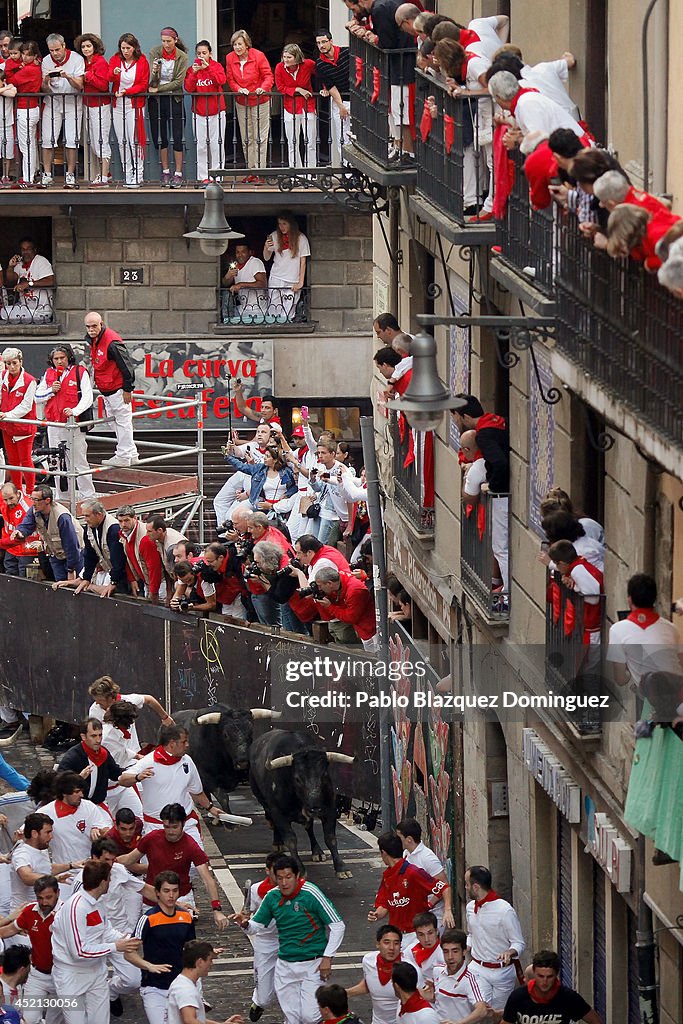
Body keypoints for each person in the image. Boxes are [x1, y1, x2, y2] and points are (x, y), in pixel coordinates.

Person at [231, 855, 346, 1024]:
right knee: (291, 1018)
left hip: (313, 965)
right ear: (274, 878)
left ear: (297, 876)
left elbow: (338, 925)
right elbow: (257, 925)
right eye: (280, 878)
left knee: (309, 1017)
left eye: (288, 877)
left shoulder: (311, 893)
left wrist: (327, 958)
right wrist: (245, 924)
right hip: (285, 967)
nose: (284, 883)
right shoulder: (272, 897)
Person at [51, 858, 140, 1024]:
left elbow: (106, 930)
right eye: (109, 879)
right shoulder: (76, 908)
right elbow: (79, 951)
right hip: (72, 976)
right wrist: (116, 946)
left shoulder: (97, 903)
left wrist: (127, 940)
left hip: (96, 972)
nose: (111, 882)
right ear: (102, 882)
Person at [71, 838, 149, 1014]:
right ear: (93, 858)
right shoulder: (80, 882)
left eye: (113, 860)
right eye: (106, 860)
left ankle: (111, 992)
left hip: (118, 934)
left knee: (133, 980)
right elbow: (72, 915)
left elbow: (143, 888)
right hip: (92, 938)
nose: (111, 865)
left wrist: (176, 904)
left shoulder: (119, 871)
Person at [118, 803, 228, 929]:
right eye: (166, 827)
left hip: (181, 896)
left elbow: (207, 879)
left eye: (174, 827)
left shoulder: (190, 845)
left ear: (183, 824)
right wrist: (106, 863)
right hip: (153, 898)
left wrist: (217, 909)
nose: (170, 832)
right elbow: (128, 859)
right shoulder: (151, 839)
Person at [452, 396, 509, 596]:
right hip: (502, 494)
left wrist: (493, 484)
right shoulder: (496, 422)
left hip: (501, 496)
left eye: (456, 417)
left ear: (465, 416)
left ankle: (507, 593)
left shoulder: (483, 436)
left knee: (501, 548)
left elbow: (500, 463)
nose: (455, 421)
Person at [132, 724, 223, 848]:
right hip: (156, 826)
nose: (187, 745)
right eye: (184, 741)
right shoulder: (148, 762)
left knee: (197, 864)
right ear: (172, 743)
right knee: (155, 866)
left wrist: (210, 808)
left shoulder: (187, 761)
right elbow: (123, 779)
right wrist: (137, 777)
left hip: (186, 825)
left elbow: (196, 791)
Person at [129, 870, 196, 1024]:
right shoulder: (147, 919)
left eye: (174, 891)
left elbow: (191, 948)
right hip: (154, 988)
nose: (171, 895)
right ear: (157, 893)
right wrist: (149, 966)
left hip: (181, 986)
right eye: (166, 891)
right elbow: (129, 952)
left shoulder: (186, 917)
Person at [34, 343, 96, 501]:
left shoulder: (79, 372)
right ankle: (63, 496)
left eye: (62, 358)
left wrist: (75, 411)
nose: (59, 361)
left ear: (69, 357)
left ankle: (88, 496)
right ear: (52, 360)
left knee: (79, 461)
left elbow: (88, 397)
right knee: (56, 462)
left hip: (73, 425)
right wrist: (50, 391)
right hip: (54, 425)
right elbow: (37, 397)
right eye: (56, 358)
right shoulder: (48, 374)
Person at [0, 875, 62, 1022]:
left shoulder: (66, 913)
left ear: (58, 893)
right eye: (40, 898)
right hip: (37, 976)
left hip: (61, 977)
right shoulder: (29, 911)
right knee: (29, 1019)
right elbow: (7, 931)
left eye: (48, 897)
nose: (44, 902)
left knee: (55, 1021)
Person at [370, 834, 448, 950]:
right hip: (397, 938)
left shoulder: (413, 872)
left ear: (384, 853)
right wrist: (376, 914)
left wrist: (447, 910)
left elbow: (444, 887)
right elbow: (385, 905)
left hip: (414, 936)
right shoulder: (387, 877)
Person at [464, 865, 525, 1006]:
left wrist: (510, 952)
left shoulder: (505, 911)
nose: (465, 888)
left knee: (498, 1015)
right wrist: (463, 948)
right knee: (481, 1011)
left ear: (476, 887)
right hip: (477, 969)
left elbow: (519, 943)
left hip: (502, 973)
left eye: (467, 884)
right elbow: (472, 935)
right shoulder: (470, 908)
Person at [84, 311, 139, 467]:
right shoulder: (96, 339)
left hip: (118, 389)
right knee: (118, 421)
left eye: (94, 326)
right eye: (88, 327)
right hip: (110, 389)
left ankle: (124, 454)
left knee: (122, 421)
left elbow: (127, 366)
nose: (90, 330)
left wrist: (128, 389)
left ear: (101, 324)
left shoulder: (112, 342)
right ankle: (130, 452)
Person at [39, 774, 111, 892]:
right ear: (64, 793)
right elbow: (27, 836)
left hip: (91, 872)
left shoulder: (89, 807)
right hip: (65, 876)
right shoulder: (46, 812)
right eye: (76, 792)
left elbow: (105, 830)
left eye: (81, 791)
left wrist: (97, 829)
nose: (81, 795)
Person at [57, 717, 147, 809]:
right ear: (83, 737)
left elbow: (115, 773)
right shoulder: (73, 757)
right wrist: (78, 779)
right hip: (77, 805)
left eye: (100, 735)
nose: (98, 740)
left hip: (98, 804)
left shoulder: (104, 753)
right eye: (93, 736)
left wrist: (136, 772)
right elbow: (59, 782)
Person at [501, 949, 602, 1024]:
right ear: (534, 973)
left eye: (549, 976)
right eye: (540, 976)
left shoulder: (568, 997)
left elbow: (595, 1021)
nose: (544, 981)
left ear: (556, 974)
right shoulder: (518, 997)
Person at [225, 30, 273, 177]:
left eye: (240, 44)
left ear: (247, 45)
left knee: (260, 137)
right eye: (234, 44)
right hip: (242, 101)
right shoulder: (229, 58)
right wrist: (238, 89)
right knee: (247, 137)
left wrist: (262, 88)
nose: (237, 47)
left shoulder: (258, 56)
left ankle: (260, 171)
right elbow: (230, 79)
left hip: (260, 101)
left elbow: (268, 76)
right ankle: (251, 170)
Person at [13, 483, 84, 581]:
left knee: (75, 588)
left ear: (47, 500)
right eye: (32, 499)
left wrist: (71, 569)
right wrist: (20, 532)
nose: (33, 503)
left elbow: (71, 545)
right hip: (55, 555)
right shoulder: (34, 510)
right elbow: (27, 525)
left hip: (75, 556)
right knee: (59, 585)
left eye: (36, 500)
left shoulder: (62, 517)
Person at [40, 33, 84, 188]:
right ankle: (47, 174)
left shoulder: (77, 59)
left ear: (64, 46)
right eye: (51, 50)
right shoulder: (45, 60)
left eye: (57, 50)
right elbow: (45, 90)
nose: (54, 53)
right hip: (53, 102)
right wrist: (45, 81)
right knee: (47, 139)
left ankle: (70, 174)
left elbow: (80, 85)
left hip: (73, 102)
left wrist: (68, 76)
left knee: (72, 140)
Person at [87, 675, 174, 753]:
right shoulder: (95, 709)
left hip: (133, 751)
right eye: (95, 700)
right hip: (112, 753)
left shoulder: (127, 701)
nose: (97, 702)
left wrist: (165, 717)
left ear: (110, 697)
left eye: (100, 700)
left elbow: (149, 699)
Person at [10, 813, 76, 913]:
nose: (51, 837)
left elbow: (46, 868)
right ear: (34, 833)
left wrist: (71, 865)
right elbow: (26, 876)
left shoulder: (41, 848)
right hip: (24, 914)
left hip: (42, 911)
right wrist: (53, 879)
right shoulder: (22, 853)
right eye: (48, 832)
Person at [148, 28, 189, 188]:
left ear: (176, 40)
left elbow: (179, 82)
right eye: (163, 41)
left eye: (169, 41)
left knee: (177, 136)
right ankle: (165, 171)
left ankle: (178, 173)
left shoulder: (182, 57)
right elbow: (153, 82)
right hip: (157, 102)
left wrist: (159, 89)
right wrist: (155, 73)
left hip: (174, 99)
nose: (166, 44)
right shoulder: (155, 52)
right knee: (160, 137)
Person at [396, 819, 454, 929]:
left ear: (409, 840)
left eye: (399, 838)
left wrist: (429, 905)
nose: (397, 841)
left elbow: (444, 885)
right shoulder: (406, 854)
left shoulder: (428, 858)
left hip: (433, 917)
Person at [168, 939, 243, 1024]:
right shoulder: (185, 989)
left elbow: (197, 1019)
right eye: (210, 959)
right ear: (200, 962)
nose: (211, 964)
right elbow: (190, 1020)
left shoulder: (182, 983)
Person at [109, 33, 150, 188]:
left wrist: (128, 91)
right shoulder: (115, 60)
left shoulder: (142, 61)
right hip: (118, 105)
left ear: (134, 48)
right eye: (123, 48)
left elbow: (143, 84)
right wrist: (113, 74)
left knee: (135, 140)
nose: (125, 51)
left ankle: (138, 174)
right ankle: (128, 173)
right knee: (122, 141)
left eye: (128, 48)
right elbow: (109, 77)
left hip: (134, 105)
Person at [424, 928, 488, 1024]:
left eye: (455, 951)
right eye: (446, 951)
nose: (450, 957)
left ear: (464, 951)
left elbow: (482, 1010)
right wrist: (431, 997)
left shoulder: (472, 980)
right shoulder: (437, 970)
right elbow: (438, 1000)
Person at [185, 40, 227, 185]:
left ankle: (218, 175)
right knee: (201, 146)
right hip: (199, 112)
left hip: (217, 111)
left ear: (210, 53)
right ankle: (203, 176)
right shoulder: (192, 69)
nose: (201, 56)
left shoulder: (216, 66)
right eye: (199, 53)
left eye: (204, 53)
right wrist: (195, 73)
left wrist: (208, 68)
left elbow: (221, 80)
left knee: (217, 144)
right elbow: (189, 88)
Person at [346, 923, 406, 1024]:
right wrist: (346, 993)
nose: (391, 947)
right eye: (386, 942)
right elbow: (369, 984)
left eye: (396, 943)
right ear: (378, 944)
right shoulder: (368, 960)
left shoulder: (409, 968)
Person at [546, 540, 603, 645]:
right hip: (588, 627)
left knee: (589, 660)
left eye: (556, 564)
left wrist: (574, 588)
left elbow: (593, 598)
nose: (557, 568)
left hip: (591, 629)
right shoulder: (579, 565)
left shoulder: (577, 570)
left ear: (562, 563)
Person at [312, 566, 378, 651]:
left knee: (374, 658)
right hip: (362, 628)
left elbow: (351, 618)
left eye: (320, 586)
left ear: (329, 584)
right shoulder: (341, 578)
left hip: (370, 631)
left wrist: (330, 607)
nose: (319, 589)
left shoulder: (354, 590)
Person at [245, 855, 279, 1021]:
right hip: (265, 942)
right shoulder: (255, 889)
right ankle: (258, 1002)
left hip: (289, 941)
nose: (281, 878)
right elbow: (251, 917)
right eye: (276, 873)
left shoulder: (295, 888)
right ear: (267, 870)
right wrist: (244, 922)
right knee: (265, 997)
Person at [74, 497, 129, 597]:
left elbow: (119, 559)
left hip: (125, 575)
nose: (85, 519)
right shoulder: (89, 528)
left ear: (99, 515)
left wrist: (114, 582)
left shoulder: (113, 528)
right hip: (111, 569)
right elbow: (90, 555)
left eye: (87, 516)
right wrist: (87, 578)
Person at [76, 32, 111, 185]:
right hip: (88, 105)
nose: (86, 49)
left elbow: (103, 85)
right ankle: (105, 173)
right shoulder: (84, 63)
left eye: (88, 46)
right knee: (93, 140)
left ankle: (104, 176)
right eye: (83, 46)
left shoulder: (101, 62)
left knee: (101, 139)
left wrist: (88, 76)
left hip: (100, 106)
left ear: (95, 47)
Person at [5, 40, 42, 187]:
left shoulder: (29, 69)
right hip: (32, 108)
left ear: (34, 56)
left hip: (25, 109)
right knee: (30, 144)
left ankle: (27, 177)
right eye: (24, 54)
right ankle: (30, 175)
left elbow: (11, 80)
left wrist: (11, 67)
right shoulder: (36, 66)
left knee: (25, 146)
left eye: (29, 55)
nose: (25, 58)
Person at [275, 44, 317, 170]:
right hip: (290, 107)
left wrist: (325, 88)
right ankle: (296, 172)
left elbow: (322, 74)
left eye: (289, 57)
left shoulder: (308, 64)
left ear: (297, 57)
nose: (285, 60)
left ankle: (311, 171)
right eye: (284, 57)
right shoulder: (279, 68)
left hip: (308, 105)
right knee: (292, 142)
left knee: (310, 142)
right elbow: (280, 87)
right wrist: (297, 89)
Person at [263, 212, 311, 323]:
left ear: (291, 224)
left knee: (288, 312)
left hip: (292, 279)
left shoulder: (301, 238)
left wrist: (300, 282)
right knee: (273, 310)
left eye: (284, 224)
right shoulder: (274, 236)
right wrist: (266, 247)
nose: (282, 227)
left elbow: (303, 262)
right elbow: (266, 258)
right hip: (276, 277)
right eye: (280, 224)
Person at [225, 443, 297, 515]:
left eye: (267, 456)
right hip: (262, 505)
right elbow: (241, 466)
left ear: (275, 460)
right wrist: (227, 456)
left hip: (282, 506)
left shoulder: (287, 472)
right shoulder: (259, 469)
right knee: (235, 514)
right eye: (264, 455)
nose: (264, 458)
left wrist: (287, 494)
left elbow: (295, 487)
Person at [315, 31, 351, 166]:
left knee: (359, 136)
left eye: (324, 42)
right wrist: (341, 106)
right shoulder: (320, 64)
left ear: (331, 41)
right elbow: (331, 87)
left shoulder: (346, 53)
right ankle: (348, 172)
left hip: (358, 99)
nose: (321, 45)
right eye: (318, 43)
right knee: (342, 137)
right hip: (340, 101)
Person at [117, 504, 164, 600]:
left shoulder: (145, 538)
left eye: (126, 520)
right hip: (146, 581)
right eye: (120, 521)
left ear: (135, 518)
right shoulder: (123, 534)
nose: (123, 524)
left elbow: (154, 566)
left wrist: (153, 590)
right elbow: (127, 558)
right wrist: (132, 579)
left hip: (159, 582)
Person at [1, 241, 55, 323]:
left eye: (28, 249)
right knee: (3, 311)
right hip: (25, 307)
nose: (25, 252)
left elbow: (51, 281)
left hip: (40, 311)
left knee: (3, 313)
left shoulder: (41, 261)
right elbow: (10, 280)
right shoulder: (20, 264)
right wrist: (11, 267)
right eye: (23, 249)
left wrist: (29, 284)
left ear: (35, 250)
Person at [0, 481, 40, 577]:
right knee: (9, 577)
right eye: (5, 500)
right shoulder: (5, 505)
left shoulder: (28, 508)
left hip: (28, 551)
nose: (9, 502)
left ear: (18, 493)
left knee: (25, 581)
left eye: (11, 498)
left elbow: (22, 535)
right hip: (11, 549)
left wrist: (2, 544)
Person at [221, 243, 268, 324]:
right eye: (237, 252)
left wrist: (241, 285)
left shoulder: (255, 262)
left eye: (243, 252)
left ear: (250, 252)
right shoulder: (235, 266)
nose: (240, 255)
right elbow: (225, 284)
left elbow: (263, 284)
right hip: (242, 309)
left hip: (258, 310)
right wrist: (228, 276)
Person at [402, 913, 444, 982]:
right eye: (421, 935)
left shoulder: (444, 953)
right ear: (416, 935)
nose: (426, 939)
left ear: (437, 931)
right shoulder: (411, 950)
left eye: (430, 933)